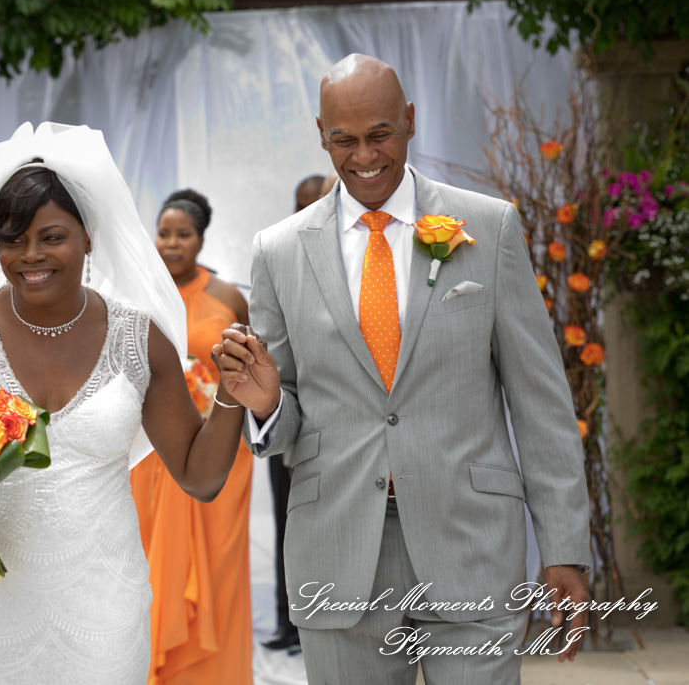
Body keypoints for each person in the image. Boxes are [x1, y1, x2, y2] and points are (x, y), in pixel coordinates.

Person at [215, 55, 591, 684]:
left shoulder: (490, 227)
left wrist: (565, 548)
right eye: (344, 140)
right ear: (321, 133)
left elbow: (541, 402)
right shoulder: (276, 252)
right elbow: (284, 425)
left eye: (380, 134)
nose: (365, 156)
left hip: (471, 546)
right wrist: (267, 404)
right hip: (338, 553)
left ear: (411, 121)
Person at [0, 123, 266, 685]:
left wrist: (231, 397)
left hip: (104, 606)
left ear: (89, 237)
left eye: (51, 237)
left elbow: (200, 478)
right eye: (12, 239)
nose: (30, 256)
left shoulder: (137, 339)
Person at [130, 189, 254, 684]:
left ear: (201, 239)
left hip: (221, 451)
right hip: (152, 452)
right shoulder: (136, 294)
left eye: (183, 234)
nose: (171, 243)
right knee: (150, 566)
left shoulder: (228, 297)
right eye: (164, 233)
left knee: (219, 571)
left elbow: (251, 369)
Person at [260, 173, 324, 656]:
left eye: (314, 202)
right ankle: (288, 621)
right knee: (287, 527)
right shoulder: (278, 259)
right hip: (284, 418)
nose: (307, 211)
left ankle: (310, 622)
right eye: (300, 203)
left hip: (330, 427)